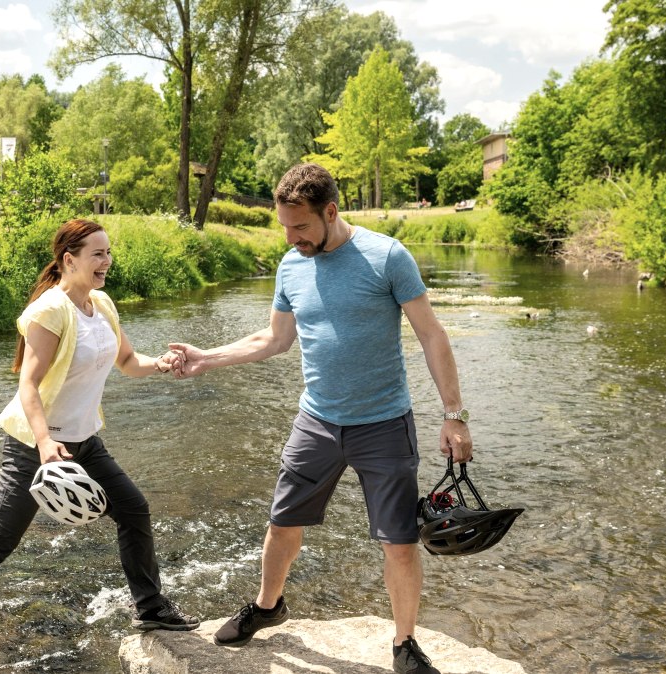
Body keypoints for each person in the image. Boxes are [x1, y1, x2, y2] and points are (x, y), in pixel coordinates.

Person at [168, 163, 474, 674]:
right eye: (285, 227)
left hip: (384, 423)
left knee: (399, 542)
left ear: (331, 211)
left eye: (301, 226)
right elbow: (275, 339)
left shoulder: (386, 257)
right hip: (316, 422)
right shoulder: (292, 265)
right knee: (282, 523)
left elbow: (431, 334)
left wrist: (454, 414)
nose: (292, 238)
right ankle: (268, 606)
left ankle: (404, 643)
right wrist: (206, 358)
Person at [0, 218, 200, 674]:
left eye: (108, 252)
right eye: (98, 254)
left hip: (83, 442)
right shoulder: (50, 310)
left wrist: (163, 364)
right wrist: (44, 442)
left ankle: (150, 607)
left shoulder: (102, 304)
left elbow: (129, 361)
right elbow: (28, 384)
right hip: (34, 447)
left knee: (133, 509)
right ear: (69, 260)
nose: (107, 261)